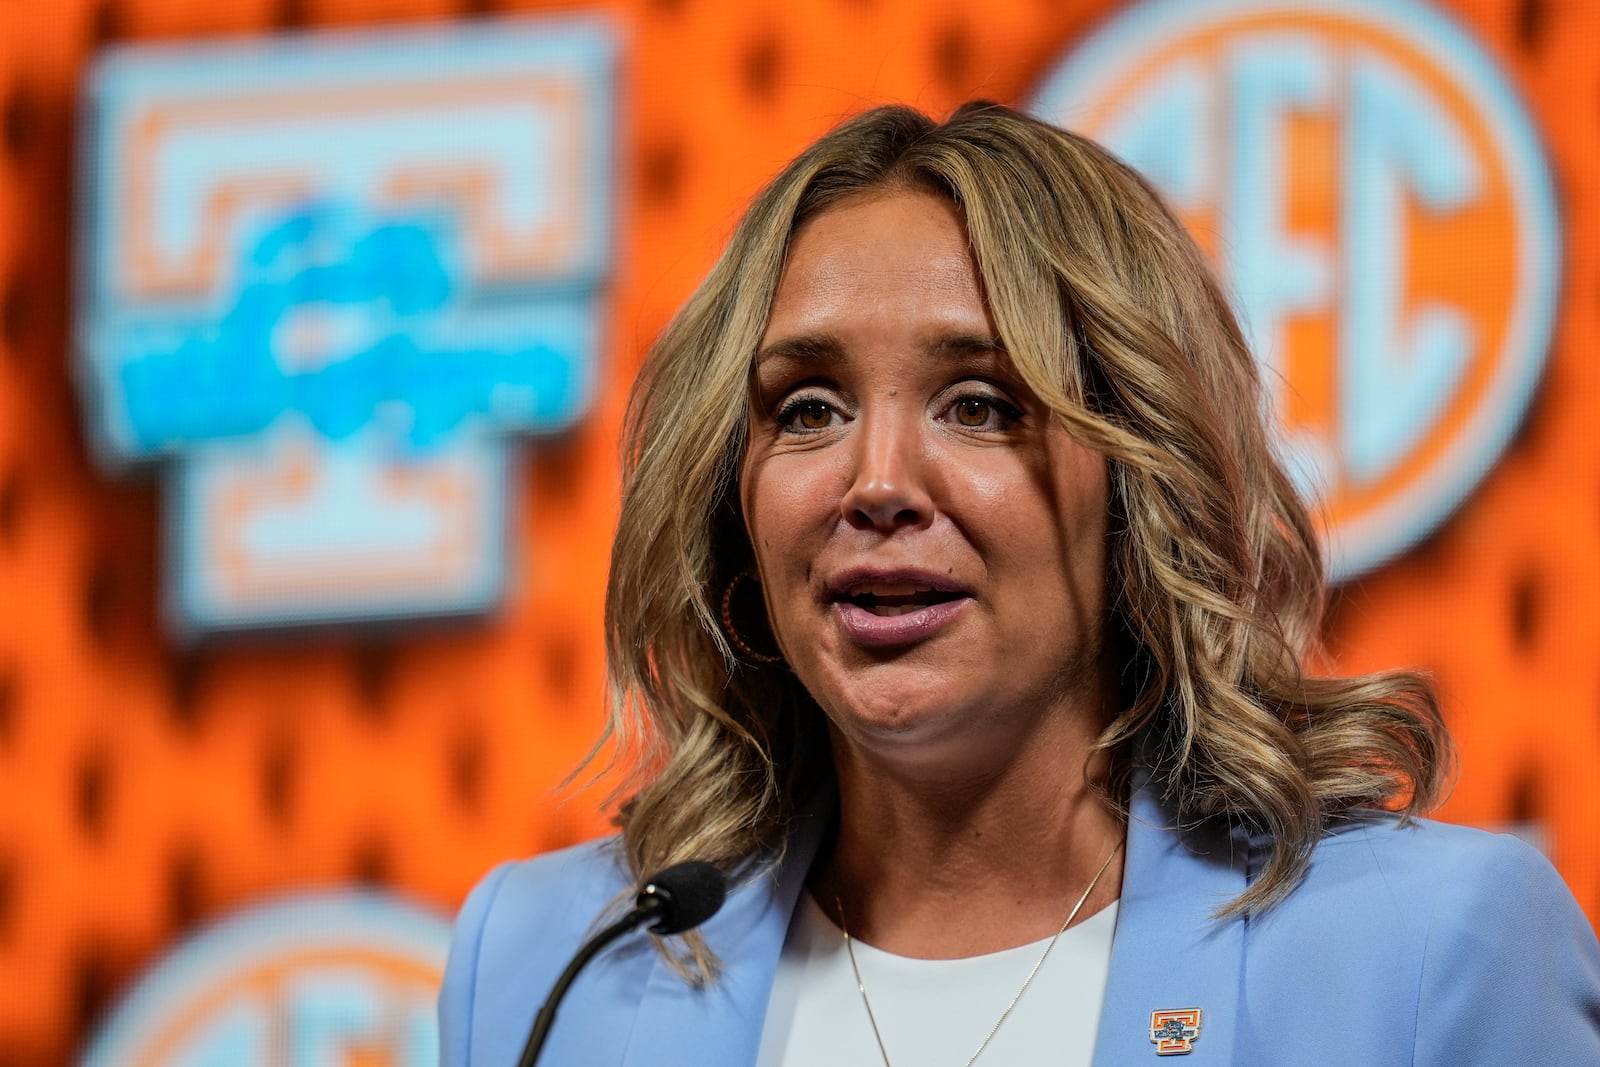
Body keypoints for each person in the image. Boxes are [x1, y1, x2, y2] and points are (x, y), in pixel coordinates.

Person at [438, 102, 1600, 1065]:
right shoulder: (548, 962)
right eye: (807, 409)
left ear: (1143, 480)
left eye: (982, 405)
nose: (876, 480)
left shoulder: (1424, 948)